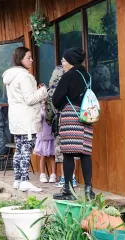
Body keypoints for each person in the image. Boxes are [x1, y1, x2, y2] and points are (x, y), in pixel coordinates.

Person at [52, 47, 95, 200]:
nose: (63, 63)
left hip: (71, 115)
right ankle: (89, 190)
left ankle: (68, 191)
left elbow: (56, 99)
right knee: (85, 153)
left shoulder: (68, 76)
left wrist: (62, 106)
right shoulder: (87, 76)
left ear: (70, 61)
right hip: (86, 115)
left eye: (64, 60)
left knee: (68, 153)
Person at [2, 46, 48, 192]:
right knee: (26, 150)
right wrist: (43, 91)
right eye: (28, 57)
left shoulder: (10, 76)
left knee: (19, 149)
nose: (31, 60)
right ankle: (25, 181)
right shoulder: (25, 76)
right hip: (27, 119)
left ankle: (17, 179)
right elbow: (30, 99)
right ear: (20, 59)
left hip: (16, 118)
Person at [44, 66, 78, 188]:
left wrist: (49, 120)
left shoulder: (52, 91)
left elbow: (49, 110)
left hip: (60, 123)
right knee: (73, 149)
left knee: (61, 150)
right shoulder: (74, 88)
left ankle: (65, 178)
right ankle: (73, 178)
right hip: (75, 123)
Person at [35, 102, 57, 183]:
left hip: (51, 134)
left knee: (52, 155)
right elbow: (38, 118)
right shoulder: (39, 107)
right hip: (43, 134)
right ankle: (42, 174)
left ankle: (53, 175)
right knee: (43, 155)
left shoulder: (52, 105)